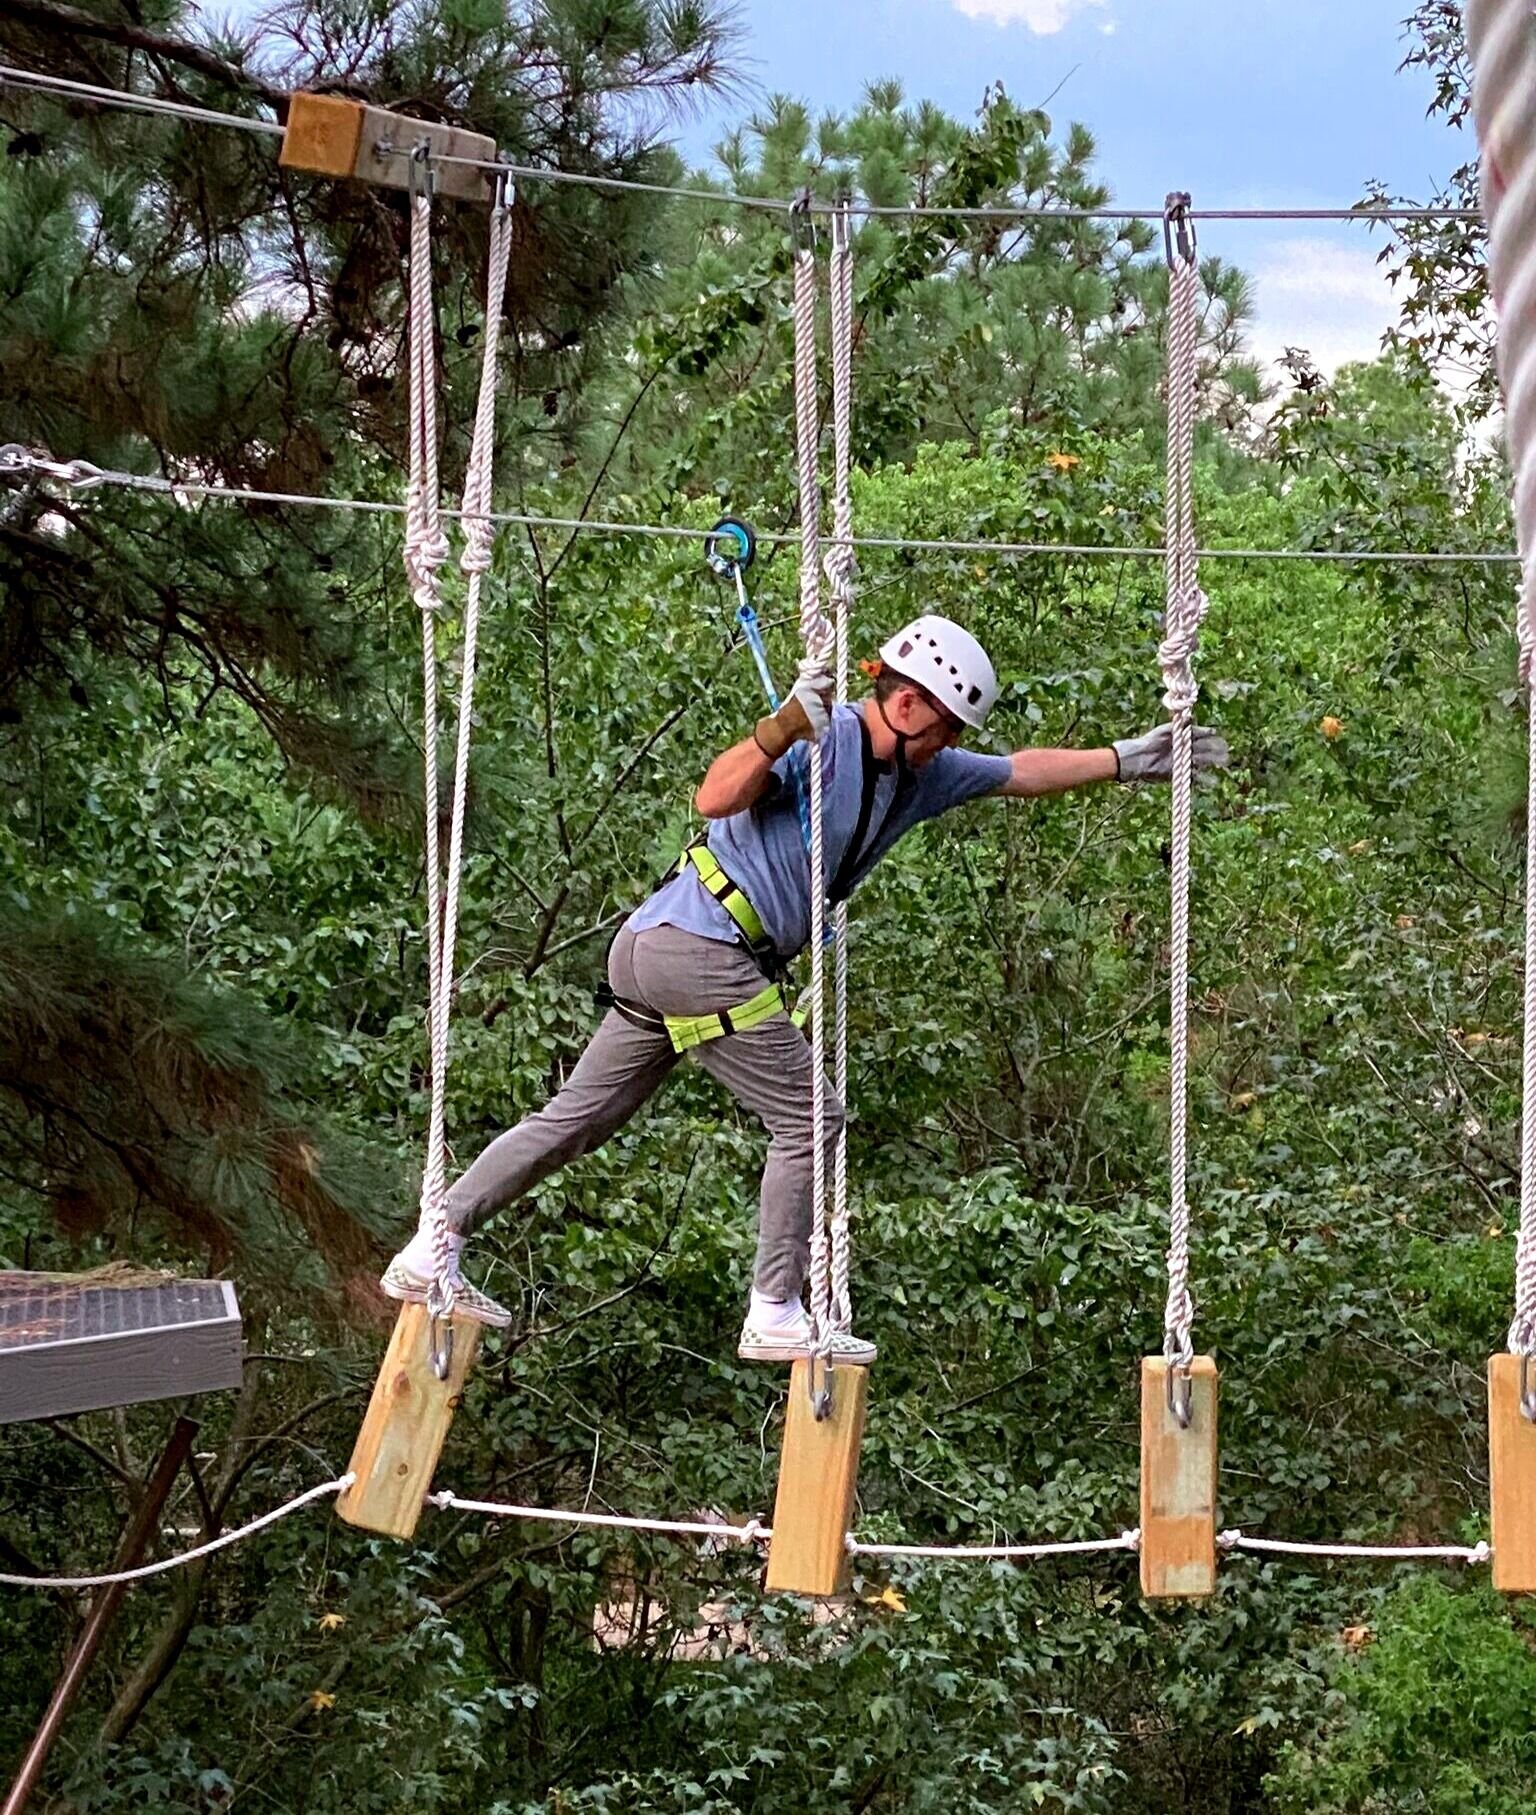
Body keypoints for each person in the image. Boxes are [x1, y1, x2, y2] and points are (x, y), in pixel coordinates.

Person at [381, 614, 1227, 1361]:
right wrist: (778, 730)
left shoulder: (922, 775)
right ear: (906, 704)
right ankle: (774, 1307)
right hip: (697, 946)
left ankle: (434, 1244)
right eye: (943, 727)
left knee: (577, 1119)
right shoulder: (822, 742)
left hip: (663, 947)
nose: (947, 745)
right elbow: (714, 794)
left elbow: (1019, 770)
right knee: (811, 1118)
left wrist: (1128, 760)